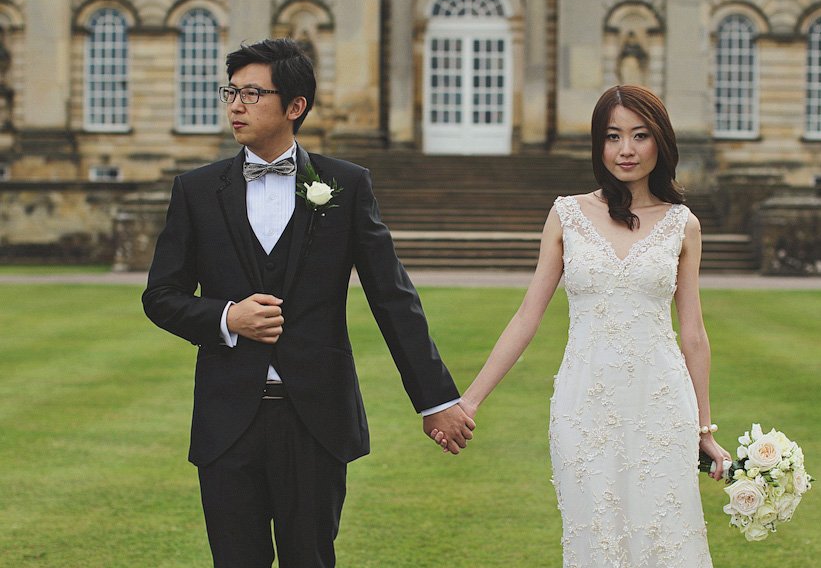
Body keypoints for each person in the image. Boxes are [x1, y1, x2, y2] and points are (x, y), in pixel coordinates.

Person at [142, 38, 475, 568]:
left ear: (295, 106)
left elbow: (392, 297)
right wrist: (227, 316)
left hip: (315, 418)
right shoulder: (197, 190)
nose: (236, 105)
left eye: (253, 93)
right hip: (228, 420)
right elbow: (160, 296)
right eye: (232, 91)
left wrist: (435, 401)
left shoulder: (345, 185)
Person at [432, 85, 730, 566]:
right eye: (613, 137)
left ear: (661, 142)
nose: (626, 150)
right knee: (594, 541)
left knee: (666, 541)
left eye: (639, 136)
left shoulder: (683, 224)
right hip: (583, 406)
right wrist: (469, 400)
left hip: (661, 407)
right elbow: (528, 317)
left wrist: (703, 430)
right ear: (599, 144)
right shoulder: (567, 214)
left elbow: (693, 332)